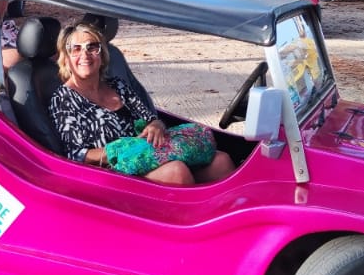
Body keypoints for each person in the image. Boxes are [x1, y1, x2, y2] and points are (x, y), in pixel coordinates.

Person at [48, 23, 234, 185]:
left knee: (221, 161)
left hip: (148, 156)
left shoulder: (117, 85)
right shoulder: (63, 99)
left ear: (101, 54)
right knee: (177, 171)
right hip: (115, 171)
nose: (85, 54)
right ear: (65, 58)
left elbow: (151, 119)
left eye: (92, 47)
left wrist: (156, 126)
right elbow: (76, 155)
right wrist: (121, 148)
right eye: (76, 48)